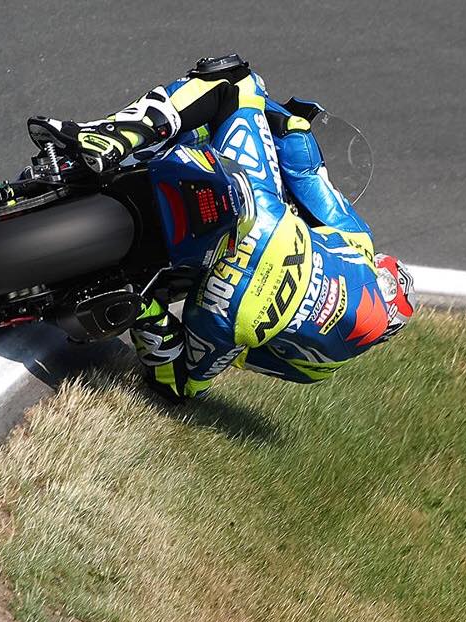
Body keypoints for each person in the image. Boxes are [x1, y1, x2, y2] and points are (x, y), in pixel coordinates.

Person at [28, 54, 416, 402]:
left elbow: (305, 171)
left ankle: (111, 138)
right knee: (179, 384)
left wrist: (287, 122)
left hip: (269, 228)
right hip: (234, 312)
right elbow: (245, 355)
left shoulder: (360, 245)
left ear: (382, 268)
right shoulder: (320, 369)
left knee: (235, 82)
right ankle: (134, 304)